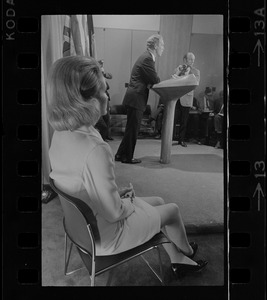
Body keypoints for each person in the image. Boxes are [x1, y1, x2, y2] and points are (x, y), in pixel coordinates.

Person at [47, 56, 208, 279]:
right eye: (103, 91)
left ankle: (178, 259)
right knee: (171, 210)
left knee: (159, 203)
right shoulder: (95, 148)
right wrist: (129, 204)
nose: (107, 95)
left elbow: (83, 185)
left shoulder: (60, 135)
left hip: (83, 227)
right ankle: (187, 252)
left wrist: (118, 196)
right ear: (87, 100)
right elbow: (113, 213)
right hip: (108, 235)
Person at [115, 34, 164, 164]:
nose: (163, 48)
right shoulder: (148, 59)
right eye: (162, 45)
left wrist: (151, 82)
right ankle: (127, 157)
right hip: (136, 98)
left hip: (134, 97)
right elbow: (154, 79)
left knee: (131, 129)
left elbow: (151, 80)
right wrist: (154, 81)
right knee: (133, 130)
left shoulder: (146, 57)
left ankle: (120, 155)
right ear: (155, 46)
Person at [172, 52, 200, 147]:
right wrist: (179, 72)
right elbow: (173, 80)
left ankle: (181, 140)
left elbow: (195, 85)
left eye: (193, 59)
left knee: (184, 121)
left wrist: (187, 75)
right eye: (190, 59)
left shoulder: (196, 72)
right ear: (185, 60)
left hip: (187, 98)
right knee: (173, 119)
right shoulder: (178, 68)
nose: (192, 61)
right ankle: (170, 138)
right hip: (176, 97)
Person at [94, 59, 113, 141]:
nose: (101, 66)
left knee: (107, 118)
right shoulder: (95, 75)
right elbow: (105, 86)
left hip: (105, 97)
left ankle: (107, 135)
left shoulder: (103, 74)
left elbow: (110, 76)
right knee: (102, 121)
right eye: (100, 64)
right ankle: (103, 138)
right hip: (99, 98)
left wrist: (103, 74)